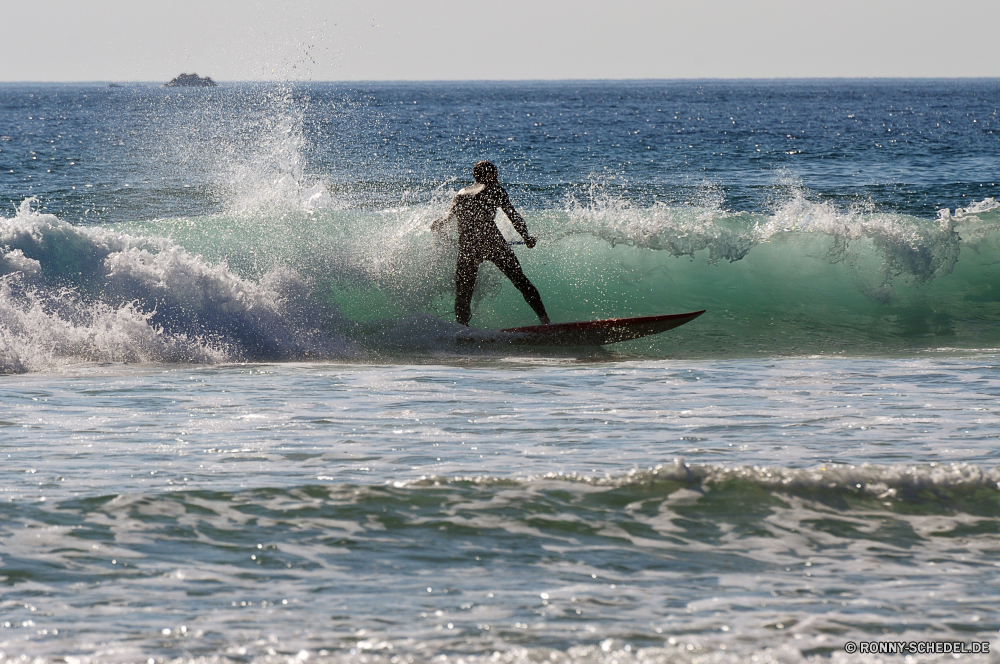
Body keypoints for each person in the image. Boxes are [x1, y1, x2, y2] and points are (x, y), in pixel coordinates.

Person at [432, 161, 550, 327]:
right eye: (495, 174)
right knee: (521, 281)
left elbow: (443, 221)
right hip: (491, 241)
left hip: (468, 246)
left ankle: (462, 330)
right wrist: (526, 237)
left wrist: (437, 226)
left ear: (475, 176)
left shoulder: (461, 193)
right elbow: (513, 216)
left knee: (463, 294)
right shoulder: (495, 189)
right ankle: (545, 322)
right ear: (490, 175)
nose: (497, 178)